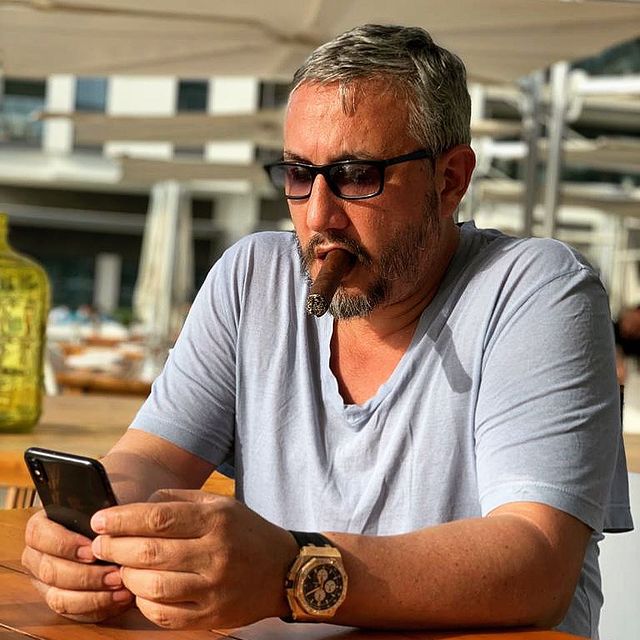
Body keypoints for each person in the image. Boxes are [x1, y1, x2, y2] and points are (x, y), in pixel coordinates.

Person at [22, 24, 631, 639]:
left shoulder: (537, 290)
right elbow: (151, 458)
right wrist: (91, 528)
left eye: (356, 175)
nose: (318, 216)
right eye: (298, 174)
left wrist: (294, 571)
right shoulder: (252, 278)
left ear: (449, 179)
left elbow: (538, 564)